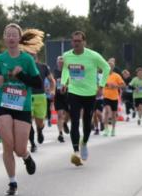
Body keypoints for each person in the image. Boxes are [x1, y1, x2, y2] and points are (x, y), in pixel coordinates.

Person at [0, 24, 43, 195]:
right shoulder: (0, 59)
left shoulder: (27, 60)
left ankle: (26, 156)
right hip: (3, 105)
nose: (11, 38)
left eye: (14, 35)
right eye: (8, 35)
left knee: (19, 149)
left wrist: (21, 75)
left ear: (19, 39)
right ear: (4, 38)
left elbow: (38, 84)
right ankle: (12, 182)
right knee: (8, 145)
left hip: (22, 106)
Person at [59, 31, 109, 166]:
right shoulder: (67, 56)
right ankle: (75, 152)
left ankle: (84, 142)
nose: (76, 43)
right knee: (74, 120)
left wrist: (101, 86)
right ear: (71, 42)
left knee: (87, 123)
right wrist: (64, 83)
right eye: (74, 41)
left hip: (90, 93)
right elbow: (65, 70)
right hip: (74, 91)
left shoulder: (93, 56)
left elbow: (106, 67)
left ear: (84, 42)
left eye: (79, 41)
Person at [28, 53, 53, 152]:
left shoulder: (43, 67)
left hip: (40, 96)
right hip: (27, 96)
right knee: (28, 122)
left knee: (40, 122)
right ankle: (33, 144)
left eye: (33, 56)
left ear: (36, 57)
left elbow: (52, 80)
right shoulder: (24, 67)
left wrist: (52, 90)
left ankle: (39, 130)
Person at [101, 58, 125, 137]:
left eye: (111, 66)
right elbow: (100, 84)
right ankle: (106, 129)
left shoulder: (117, 76)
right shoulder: (104, 75)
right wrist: (107, 85)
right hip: (106, 96)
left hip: (114, 97)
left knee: (114, 115)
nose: (109, 68)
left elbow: (123, 85)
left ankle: (113, 129)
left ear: (113, 67)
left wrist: (116, 86)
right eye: (108, 66)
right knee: (107, 111)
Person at [53, 55, 69, 143]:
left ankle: (65, 123)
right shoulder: (54, 72)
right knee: (59, 115)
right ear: (57, 63)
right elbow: (52, 82)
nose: (60, 63)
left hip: (67, 95)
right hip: (58, 96)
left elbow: (72, 81)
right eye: (59, 62)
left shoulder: (67, 71)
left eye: (62, 62)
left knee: (67, 115)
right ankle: (60, 134)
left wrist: (66, 86)